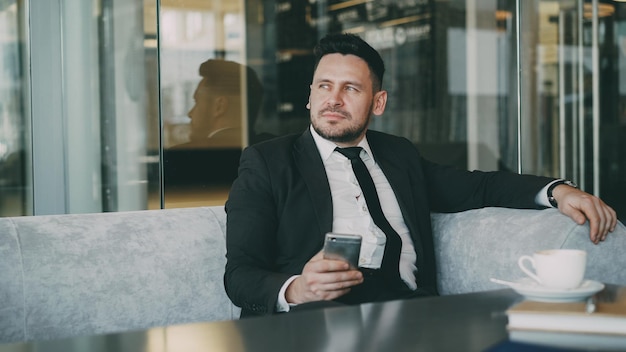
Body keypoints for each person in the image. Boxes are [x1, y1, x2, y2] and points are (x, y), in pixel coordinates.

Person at [224, 33, 617, 318]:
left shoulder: (399, 156)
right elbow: (240, 275)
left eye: (351, 89)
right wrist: (299, 288)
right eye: (324, 86)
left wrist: (558, 192)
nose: (334, 100)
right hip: (315, 319)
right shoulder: (267, 162)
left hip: (411, 314)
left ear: (378, 102)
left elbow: (478, 186)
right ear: (310, 95)